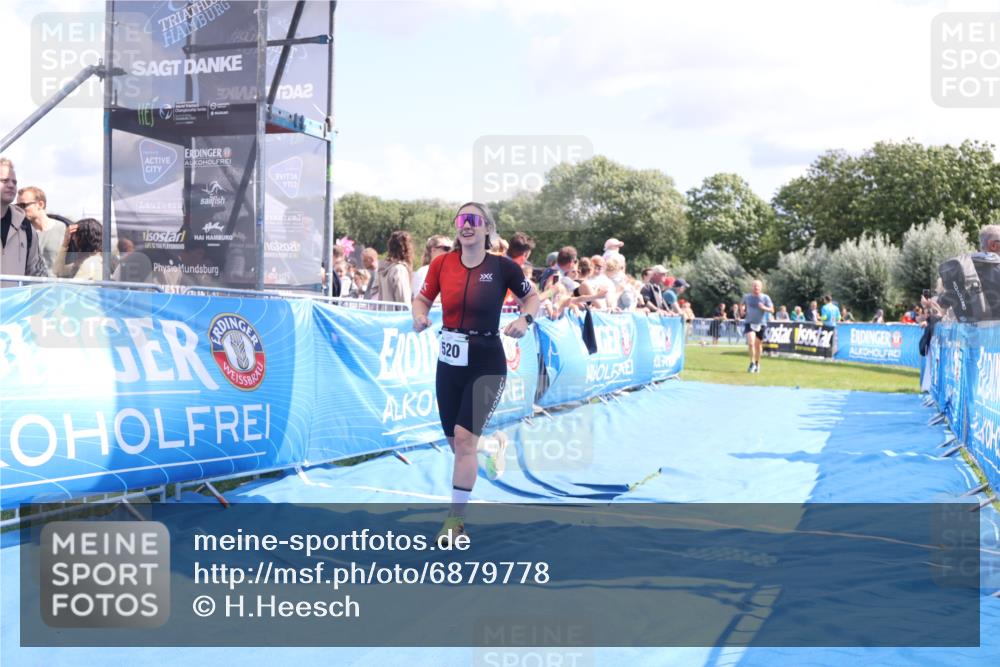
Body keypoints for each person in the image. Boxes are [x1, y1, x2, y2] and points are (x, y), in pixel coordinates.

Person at [412, 202, 539, 547]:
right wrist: (419, 315)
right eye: (461, 219)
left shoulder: (503, 268)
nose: (466, 225)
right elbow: (421, 300)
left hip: (487, 362)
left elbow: (533, 299)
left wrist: (524, 320)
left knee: (464, 440)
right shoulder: (442, 264)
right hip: (449, 361)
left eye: (474, 220)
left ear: (487, 229)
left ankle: (455, 521)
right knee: (458, 443)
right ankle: (493, 445)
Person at [1, 158, 46, 280]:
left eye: (14, 182)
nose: (11, 185)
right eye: (4, 180)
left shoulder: (25, 226)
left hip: (17, 299)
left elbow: (36, 273)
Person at [16, 186, 65, 276]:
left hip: (57, 287)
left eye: (23, 205)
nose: (20, 210)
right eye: (18, 206)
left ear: (40, 204)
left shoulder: (63, 229)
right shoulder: (20, 232)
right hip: (29, 288)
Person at [741, 279, 774, 373]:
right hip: (749, 323)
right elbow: (741, 304)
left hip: (761, 323)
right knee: (751, 343)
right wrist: (742, 310)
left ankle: (757, 363)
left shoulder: (765, 298)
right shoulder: (747, 297)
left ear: (761, 288)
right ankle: (751, 363)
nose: (756, 288)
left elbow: (772, 310)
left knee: (758, 345)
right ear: (752, 287)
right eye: (754, 286)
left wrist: (764, 308)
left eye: (758, 286)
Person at [377, 231, 413, 305]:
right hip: (398, 315)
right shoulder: (399, 269)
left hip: (385, 314)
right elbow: (403, 299)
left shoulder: (384, 269)